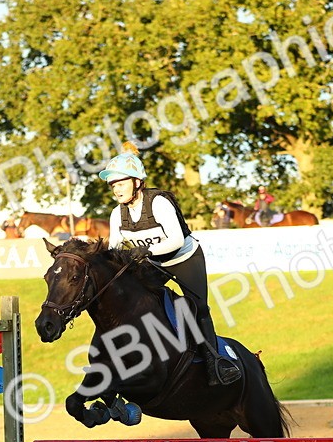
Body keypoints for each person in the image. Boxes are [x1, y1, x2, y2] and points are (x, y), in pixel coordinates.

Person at [99, 142, 241, 386]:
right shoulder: (117, 214)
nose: (116, 189)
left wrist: (145, 250)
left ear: (137, 182)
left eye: (121, 183)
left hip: (184, 258)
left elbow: (175, 240)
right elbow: (114, 248)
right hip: (154, 263)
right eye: (113, 185)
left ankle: (214, 360)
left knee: (197, 306)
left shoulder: (159, 203)